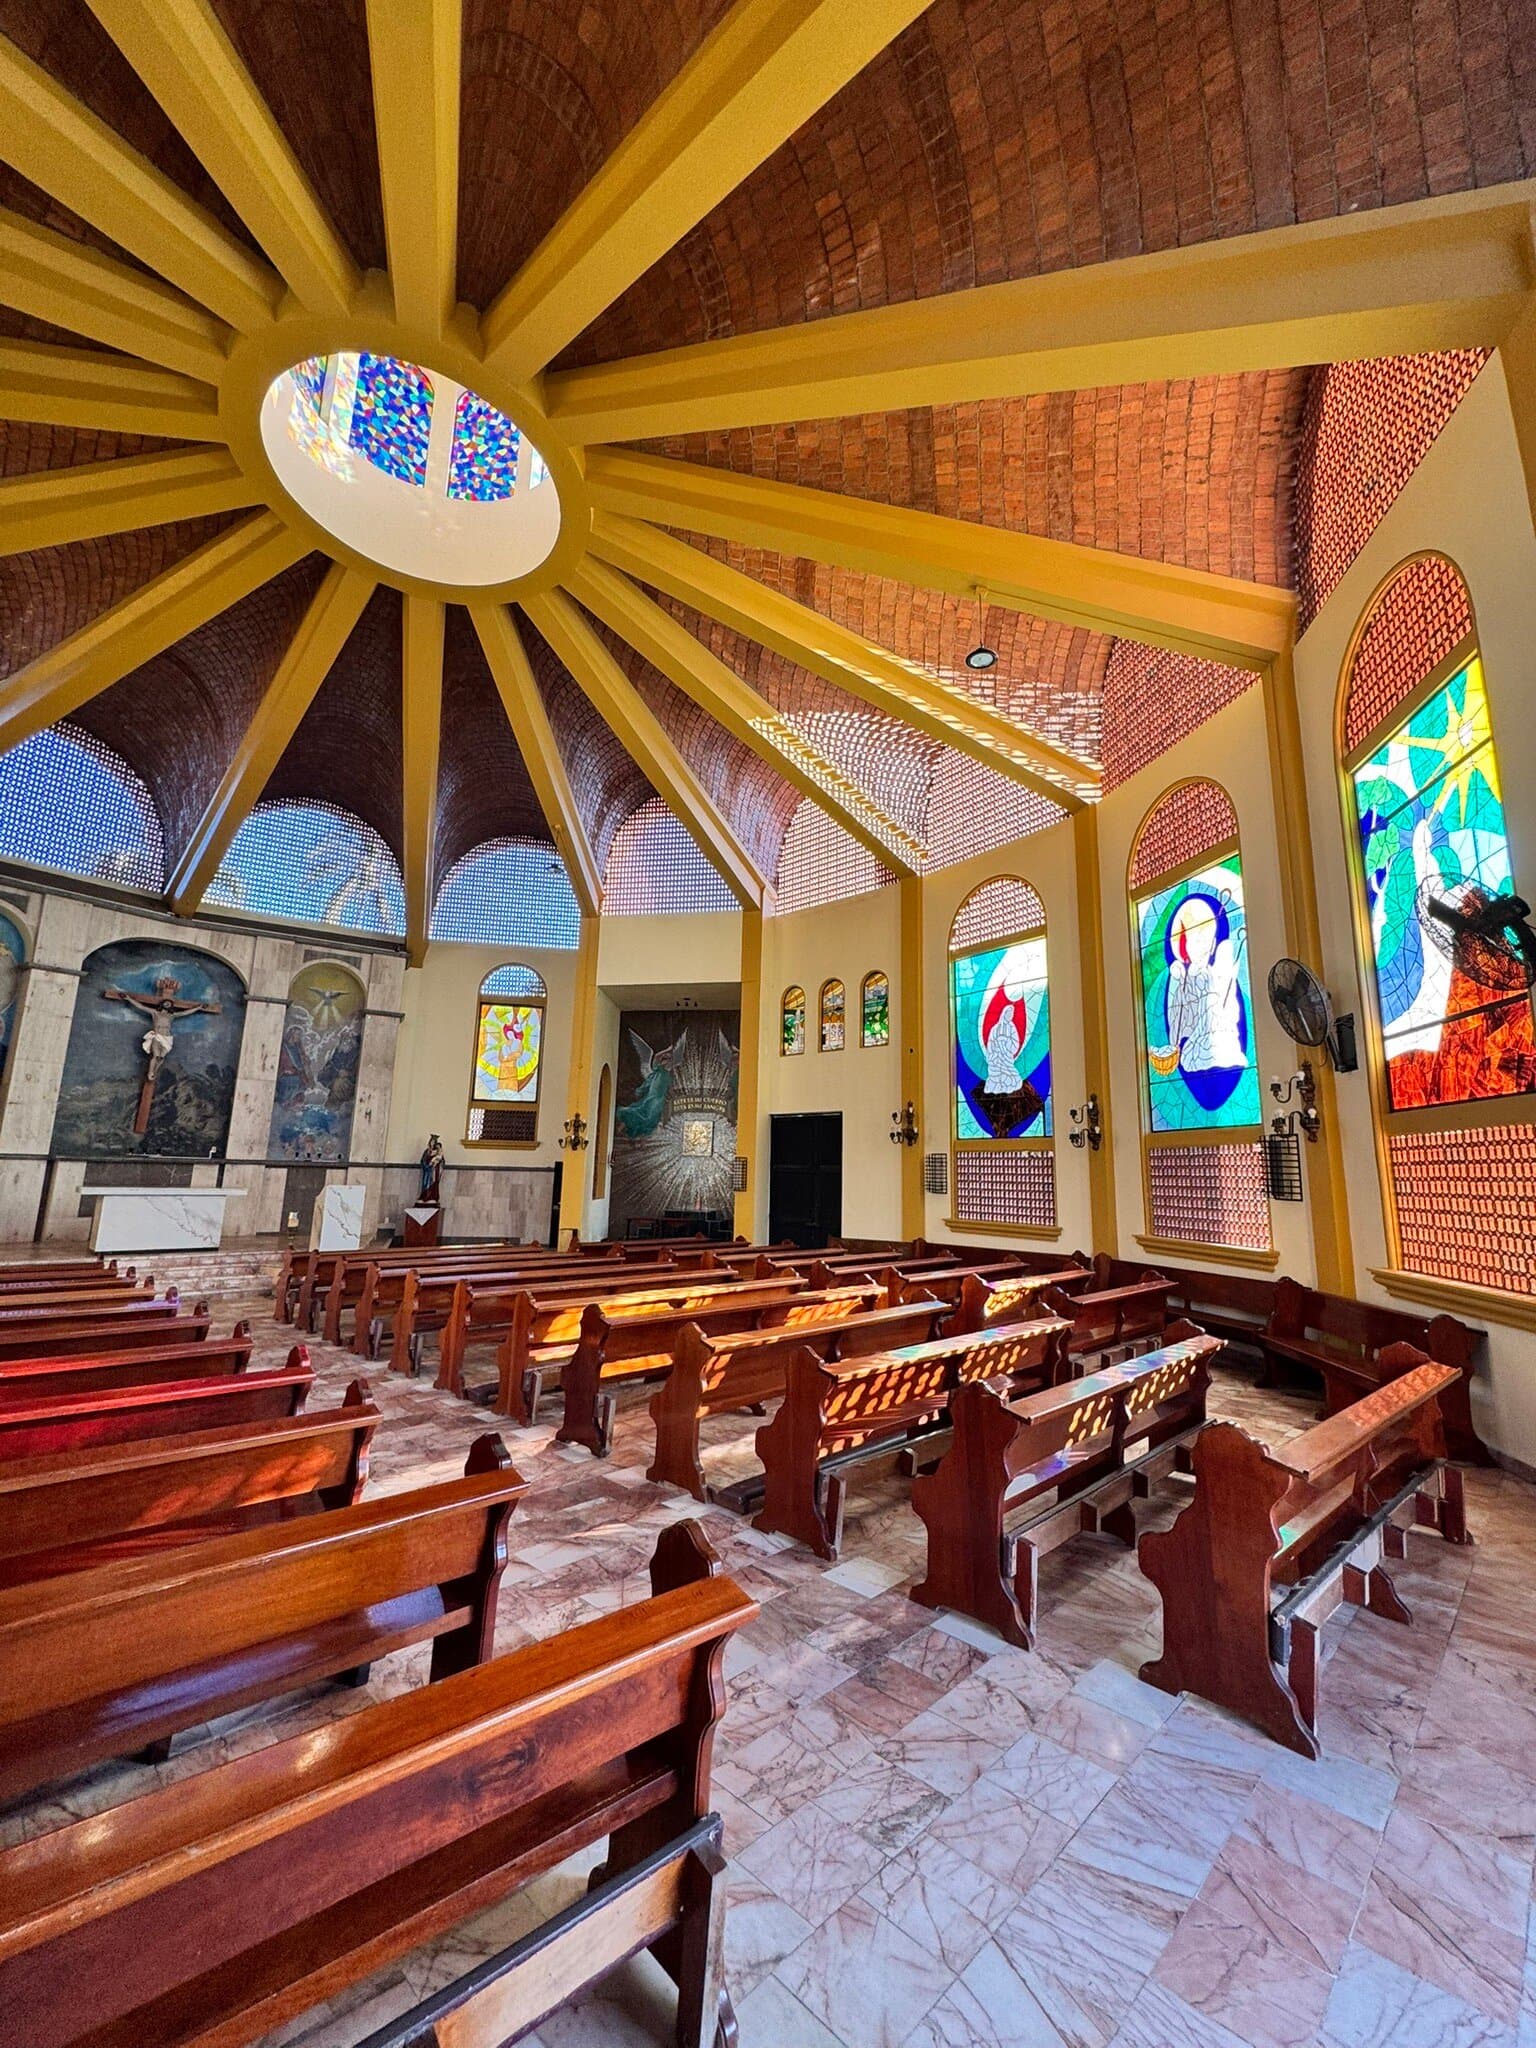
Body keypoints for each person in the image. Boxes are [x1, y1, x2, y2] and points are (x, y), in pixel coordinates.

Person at [418, 1133, 444, 1205]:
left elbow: (441, 1162)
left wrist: (436, 1163)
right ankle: (424, 1196)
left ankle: (432, 1196)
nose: (432, 1143)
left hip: (433, 1171)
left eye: (433, 1142)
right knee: (425, 1184)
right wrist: (426, 1164)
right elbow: (423, 1160)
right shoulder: (427, 1151)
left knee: (432, 1183)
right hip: (427, 1170)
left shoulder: (438, 1152)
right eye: (431, 1142)